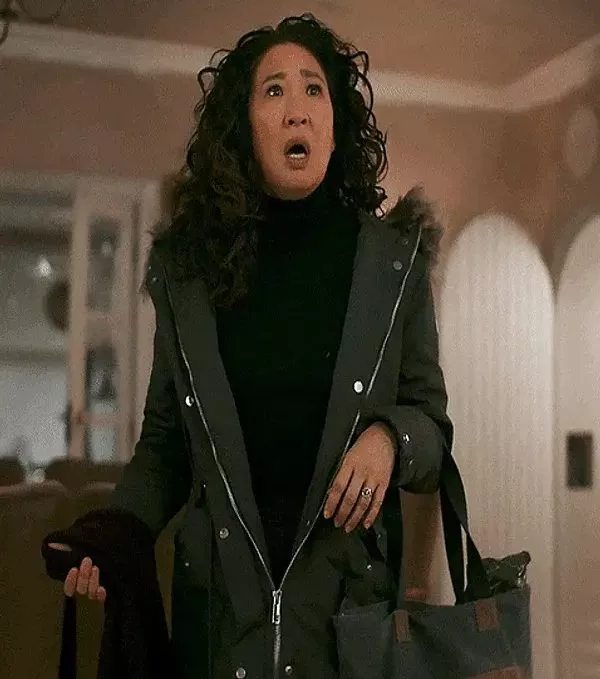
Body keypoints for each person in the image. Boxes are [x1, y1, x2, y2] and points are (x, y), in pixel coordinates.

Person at [48, 13, 453, 679]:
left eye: (314, 89)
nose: (297, 109)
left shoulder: (394, 264)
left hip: (348, 630)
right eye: (273, 91)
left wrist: (390, 437)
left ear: (336, 124)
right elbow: (165, 446)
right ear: (244, 127)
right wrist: (114, 533)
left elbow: (432, 427)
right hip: (220, 630)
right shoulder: (188, 275)